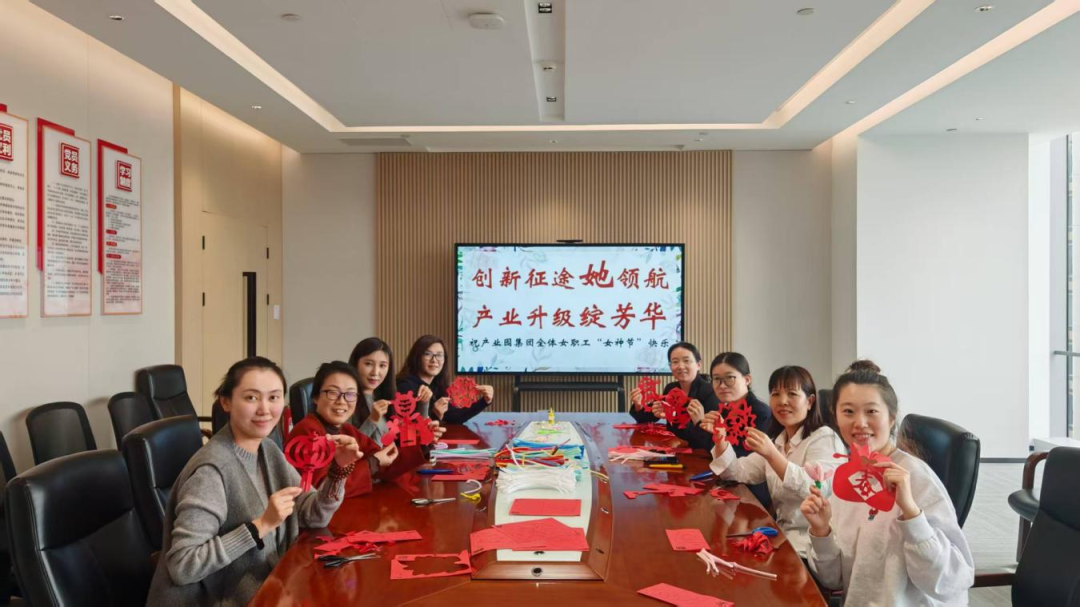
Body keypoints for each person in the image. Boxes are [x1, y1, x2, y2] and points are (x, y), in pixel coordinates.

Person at [147, 357, 361, 606]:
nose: (265, 409)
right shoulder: (211, 472)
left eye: (274, 397)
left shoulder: (268, 450)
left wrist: (338, 471)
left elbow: (314, 515)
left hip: (269, 587)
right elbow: (183, 566)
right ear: (226, 402)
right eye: (251, 397)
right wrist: (261, 525)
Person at [800, 360, 974, 605]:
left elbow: (952, 581)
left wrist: (911, 513)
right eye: (848, 412)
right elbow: (834, 580)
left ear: (892, 417)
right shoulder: (846, 477)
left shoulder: (915, 477)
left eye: (871, 411)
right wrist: (822, 532)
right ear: (836, 417)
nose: (860, 423)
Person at [702, 365, 844, 557]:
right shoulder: (779, 440)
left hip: (815, 546)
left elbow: (815, 488)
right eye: (776, 394)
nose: (782, 401)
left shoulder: (824, 438)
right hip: (783, 537)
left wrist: (772, 455)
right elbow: (737, 472)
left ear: (810, 401)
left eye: (792, 394)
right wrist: (720, 440)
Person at [287, 361, 401, 498]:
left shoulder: (347, 429)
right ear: (316, 397)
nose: (342, 401)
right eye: (333, 392)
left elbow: (383, 460)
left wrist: (419, 438)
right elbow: (322, 491)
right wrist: (374, 463)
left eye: (350, 394)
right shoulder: (306, 431)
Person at [628, 341, 718, 449]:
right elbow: (647, 417)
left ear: (698, 365)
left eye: (686, 361)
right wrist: (639, 405)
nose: (680, 366)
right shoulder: (671, 388)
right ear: (670, 367)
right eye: (675, 362)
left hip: (699, 453)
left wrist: (673, 416)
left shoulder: (710, 392)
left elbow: (709, 439)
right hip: (674, 449)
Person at [396, 334, 494, 424]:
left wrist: (484, 401)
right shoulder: (405, 387)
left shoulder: (437, 384)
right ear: (417, 357)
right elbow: (409, 430)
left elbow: (454, 417)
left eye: (439, 355)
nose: (434, 360)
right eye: (427, 354)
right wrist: (436, 415)